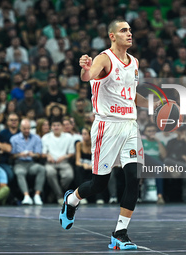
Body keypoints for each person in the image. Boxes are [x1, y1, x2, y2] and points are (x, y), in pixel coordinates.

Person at [59, 19, 151, 250]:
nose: (129, 33)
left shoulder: (135, 62)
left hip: (130, 126)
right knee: (99, 184)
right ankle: (71, 200)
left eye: (130, 30)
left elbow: (131, 95)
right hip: (106, 127)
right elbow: (87, 77)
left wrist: (154, 104)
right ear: (112, 36)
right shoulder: (104, 58)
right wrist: (84, 67)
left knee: (134, 179)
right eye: (123, 30)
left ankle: (120, 233)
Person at [10, 119, 46, 205]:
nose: (26, 131)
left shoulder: (36, 138)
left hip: (31, 163)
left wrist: (33, 154)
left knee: (41, 169)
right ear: (20, 128)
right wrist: (19, 155)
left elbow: (39, 154)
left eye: (28, 128)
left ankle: (37, 195)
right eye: (24, 128)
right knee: (19, 172)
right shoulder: (14, 139)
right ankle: (26, 196)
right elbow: (11, 156)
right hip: (19, 163)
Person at [42, 117, 75, 205]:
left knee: (69, 175)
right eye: (54, 125)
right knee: (50, 173)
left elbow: (71, 153)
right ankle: (60, 195)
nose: (56, 127)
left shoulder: (68, 137)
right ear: (51, 127)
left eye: (58, 125)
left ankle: (54, 193)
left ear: (62, 126)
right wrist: (48, 156)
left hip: (64, 162)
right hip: (51, 162)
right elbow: (43, 153)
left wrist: (64, 156)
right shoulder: (46, 137)